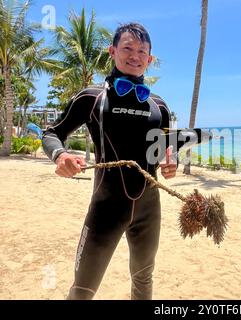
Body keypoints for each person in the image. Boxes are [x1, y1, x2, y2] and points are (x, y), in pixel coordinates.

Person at [42, 22, 177, 300]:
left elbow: (165, 145)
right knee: (82, 291)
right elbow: (52, 133)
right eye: (127, 48)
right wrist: (61, 154)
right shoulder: (92, 98)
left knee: (143, 281)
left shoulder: (159, 106)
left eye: (142, 51)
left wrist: (170, 160)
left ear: (150, 60)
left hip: (149, 211)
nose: (135, 55)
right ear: (112, 50)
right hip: (105, 209)